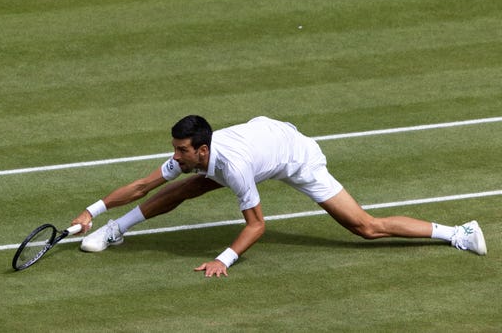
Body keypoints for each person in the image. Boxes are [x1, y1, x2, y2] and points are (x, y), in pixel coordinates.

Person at [71, 115, 487, 277]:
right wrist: (91, 212)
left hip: (296, 157)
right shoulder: (194, 156)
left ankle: (459, 232)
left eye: (182, 150)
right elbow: (144, 185)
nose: (175, 156)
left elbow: (257, 225)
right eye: (175, 149)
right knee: (184, 186)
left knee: (366, 227)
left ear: (202, 149)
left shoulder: (232, 168)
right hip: (266, 139)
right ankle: (114, 230)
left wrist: (223, 258)